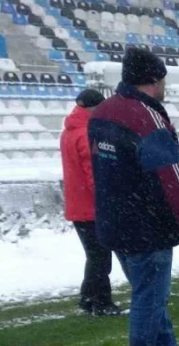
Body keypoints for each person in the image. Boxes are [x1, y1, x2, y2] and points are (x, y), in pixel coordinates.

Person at [89, 48, 179, 346]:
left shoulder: (103, 112)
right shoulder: (145, 117)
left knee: (149, 292)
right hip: (145, 224)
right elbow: (169, 178)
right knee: (150, 297)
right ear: (154, 80)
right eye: (163, 79)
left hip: (115, 220)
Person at [61, 88, 122, 315]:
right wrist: (108, 199)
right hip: (91, 206)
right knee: (101, 257)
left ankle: (88, 297)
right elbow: (94, 172)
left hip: (78, 204)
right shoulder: (87, 133)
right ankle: (101, 302)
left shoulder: (69, 131)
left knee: (94, 255)